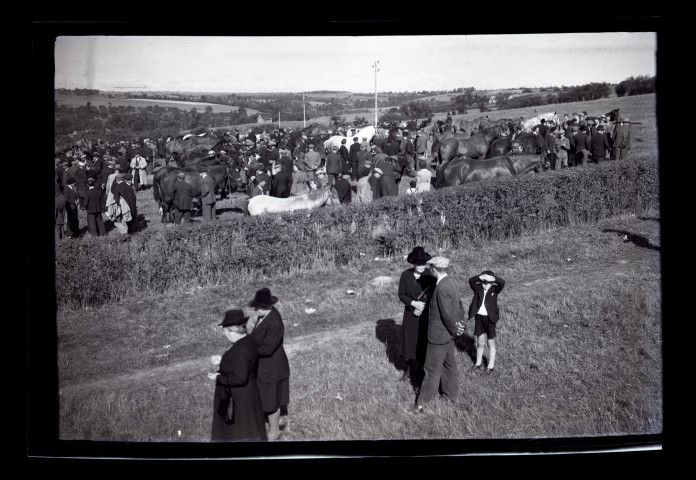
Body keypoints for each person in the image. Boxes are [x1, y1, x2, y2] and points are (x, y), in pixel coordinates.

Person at [410, 256, 464, 414]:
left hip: (438, 336)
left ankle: (421, 405)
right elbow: (459, 305)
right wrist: (459, 324)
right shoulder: (451, 282)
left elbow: (446, 315)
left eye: (430, 268)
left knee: (431, 370)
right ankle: (451, 396)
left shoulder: (441, 288)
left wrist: (454, 329)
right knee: (449, 366)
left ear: (434, 269)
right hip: (448, 336)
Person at [209, 309, 268, 442]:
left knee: (238, 433)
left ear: (232, 331)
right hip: (248, 395)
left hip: (238, 399)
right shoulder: (248, 340)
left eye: (224, 331)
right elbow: (243, 362)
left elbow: (240, 378)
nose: (224, 335)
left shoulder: (240, 349)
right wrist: (222, 360)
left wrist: (217, 377)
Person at [247, 288, 290, 441]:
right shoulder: (261, 317)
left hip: (273, 367)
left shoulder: (275, 323)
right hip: (264, 366)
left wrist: (248, 348)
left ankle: (274, 431)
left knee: (272, 400)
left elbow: (267, 349)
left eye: (257, 307)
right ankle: (272, 423)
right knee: (266, 396)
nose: (255, 309)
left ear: (265, 307)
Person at [398, 246, 436, 382]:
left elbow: (433, 295)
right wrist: (413, 304)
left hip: (425, 315)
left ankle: (422, 371)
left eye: (423, 263)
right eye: (418, 263)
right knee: (409, 341)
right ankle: (407, 371)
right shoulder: (405, 275)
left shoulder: (430, 275)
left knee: (422, 341)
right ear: (413, 263)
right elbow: (401, 294)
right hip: (410, 314)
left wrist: (422, 307)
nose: (421, 266)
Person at [467, 270, 506, 373]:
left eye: (488, 282)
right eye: (484, 282)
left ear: (492, 282)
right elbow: (471, 281)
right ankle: (478, 364)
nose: (485, 284)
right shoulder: (477, 288)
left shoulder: (495, 289)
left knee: (490, 342)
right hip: (479, 318)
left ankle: (490, 366)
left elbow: (502, 282)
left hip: (490, 319)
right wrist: (481, 276)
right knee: (480, 342)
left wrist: (491, 278)